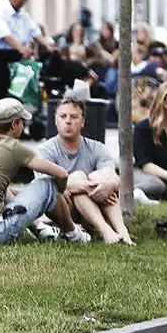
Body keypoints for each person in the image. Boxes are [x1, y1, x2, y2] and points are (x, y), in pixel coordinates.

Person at [0, 99, 85, 244]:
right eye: (22, 122)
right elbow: (61, 174)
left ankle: (40, 228)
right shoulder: (13, 147)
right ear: (14, 124)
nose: (23, 126)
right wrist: (61, 190)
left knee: (8, 191)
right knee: (48, 185)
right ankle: (73, 234)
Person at [38, 97, 132, 244]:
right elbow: (44, 186)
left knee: (101, 178)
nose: (68, 121)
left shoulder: (97, 148)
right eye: (63, 116)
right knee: (78, 177)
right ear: (56, 120)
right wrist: (87, 187)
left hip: (95, 206)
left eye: (74, 117)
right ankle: (106, 231)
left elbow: (113, 177)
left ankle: (122, 231)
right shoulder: (45, 150)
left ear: (82, 122)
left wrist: (108, 185)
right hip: (63, 211)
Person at [0, 0, 43, 116]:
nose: (24, 2)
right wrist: (21, 49)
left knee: (15, 91)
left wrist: (47, 44)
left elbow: (33, 30)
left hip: (13, 53)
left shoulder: (22, 13)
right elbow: (4, 35)